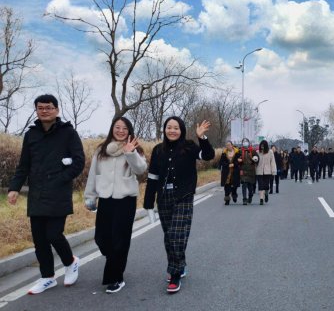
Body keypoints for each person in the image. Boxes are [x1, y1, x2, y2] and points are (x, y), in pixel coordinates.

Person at [7, 94, 84, 295]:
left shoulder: (68, 133)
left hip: (59, 192)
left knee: (53, 234)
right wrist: (14, 188)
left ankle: (71, 262)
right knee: (39, 239)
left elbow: (78, 162)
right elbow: (23, 165)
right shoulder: (31, 135)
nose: (44, 111)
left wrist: (60, 179)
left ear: (56, 110)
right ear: (36, 110)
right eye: (40, 108)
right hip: (37, 193)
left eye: (48, 107)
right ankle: (47, 277)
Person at [144, 117, 214, 294]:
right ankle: (180, 265)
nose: (172, 130)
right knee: (169, 237)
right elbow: (152, 177)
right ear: (165, 130)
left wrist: (202, 138)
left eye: (176, 128)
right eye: (169, 127)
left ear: (181, 130)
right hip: (164, 197)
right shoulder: (158, 150)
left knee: (176, 235)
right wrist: (148, 203)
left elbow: (208, 156)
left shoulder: (189, 147)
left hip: (183, 196)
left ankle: (174, 274)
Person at [84, 117, 147, 293]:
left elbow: (141, 171)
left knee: (120, 240)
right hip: (105, 198)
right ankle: (114, 260)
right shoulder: (101, 150)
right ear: (112, 128)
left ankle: (116, 278)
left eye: (124, 128)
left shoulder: (135, 149)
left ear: (129, 131)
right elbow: (93, 174)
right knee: (101, 238)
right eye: (117, 127)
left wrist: (130, 153)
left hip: (125, 200)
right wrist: (90, 196)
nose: (120, 131)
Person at [236, 138, 259, 205]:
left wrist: (255, 159)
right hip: (243, 170)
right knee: (244, 185)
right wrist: (238, 161)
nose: (245, 143)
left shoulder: (253, 151)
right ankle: (244, 199)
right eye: (243, 142)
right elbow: (237, 159)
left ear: (249, 143)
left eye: (246, 142)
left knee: (250, 186)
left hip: (251, 171)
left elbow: (257, 159)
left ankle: (250, 196)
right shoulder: (240, 151)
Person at [256, 141, 277, 205]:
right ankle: (261, 199)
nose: (262, 147)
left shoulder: (270, 152)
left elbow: (272, 162)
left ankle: (266, 193)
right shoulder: (257, 152)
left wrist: (273, 171)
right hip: (259, 171)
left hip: (267, 171)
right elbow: (255, 162)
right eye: (261, 146)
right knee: (260, 185)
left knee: (266, 186)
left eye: (263, 146)